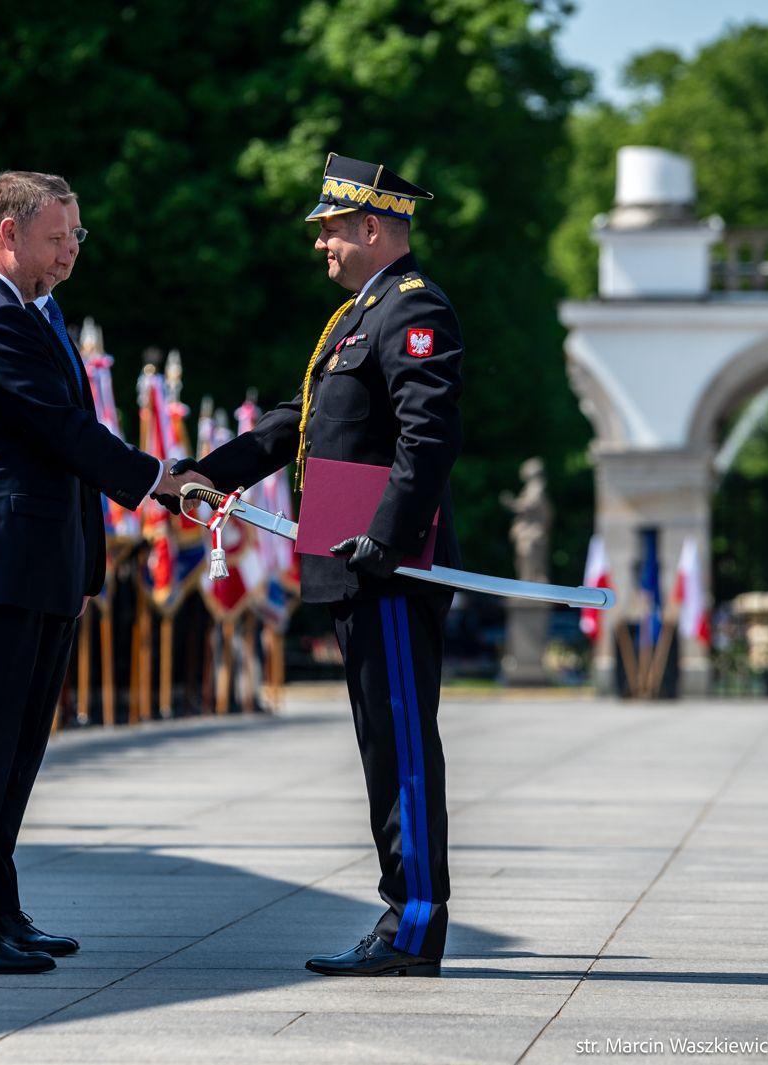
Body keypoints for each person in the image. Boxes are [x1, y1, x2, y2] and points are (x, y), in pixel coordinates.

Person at [0, 171, 189, 975]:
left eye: (76, 237)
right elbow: (61, 427)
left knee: (11, 754)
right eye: (57, 237)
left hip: (24, 570)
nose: (71, 252)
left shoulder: (27, 312)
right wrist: (159, 479)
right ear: (7, 233)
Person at [185, 154, 462, 977]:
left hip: (388, 570)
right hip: (355, 566)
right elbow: (296, 421)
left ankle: (413, 924)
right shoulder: (360, 314)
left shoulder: (414, 307)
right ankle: (401, 912)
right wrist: (208, 472)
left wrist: (388, 536)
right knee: (382, 743)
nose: (321, 244)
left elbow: (427, 437)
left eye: (331, 229)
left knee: (401, 743)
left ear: (372, 227)